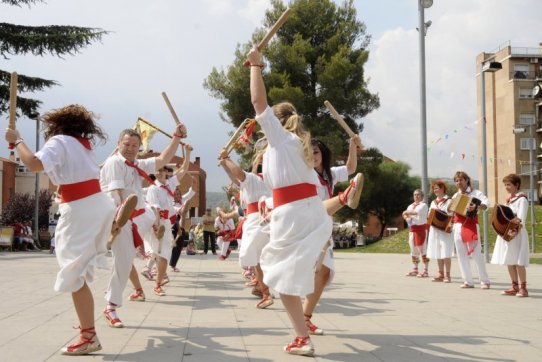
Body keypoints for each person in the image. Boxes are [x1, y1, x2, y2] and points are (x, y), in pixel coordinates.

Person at [247, 46, 362, 356]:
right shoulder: (296, 147)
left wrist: (255, 66)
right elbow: (305, 190)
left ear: (276, 121)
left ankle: (302, 337)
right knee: (285, 276)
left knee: (277, 277)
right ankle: (302, 333)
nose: (261, 124)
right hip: (306, 212)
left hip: (295, 215)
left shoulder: (282, 140)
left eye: (267, 120)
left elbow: (259, 103)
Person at [5, 104, 116, 355]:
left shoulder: (60, 141)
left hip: (82, 208)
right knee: (78, 267)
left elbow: (34, 164)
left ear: (58, 124)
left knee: (71, 269)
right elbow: (65, 178)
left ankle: (88, 335)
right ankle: (88, 330)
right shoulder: (82, 146)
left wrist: (18, 139)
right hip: (97, 205)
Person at [100, 122, 186, 328]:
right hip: (117, 216)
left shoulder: (137, 164)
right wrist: (116, 226)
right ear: (118, 144)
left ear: (139, 147)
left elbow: (163, 159)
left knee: (151, 214)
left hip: (138, 215)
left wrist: (176, 137)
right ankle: (110, 306)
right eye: (126, 144)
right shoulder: (114, 163)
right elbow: (117, 196)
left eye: (134, 146)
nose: (130, 149)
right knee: (123, 260)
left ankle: (152, 233)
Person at [302, 137, 360, 336]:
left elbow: (351, 167)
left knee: (324, 273)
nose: (313, 156)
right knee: (306, 273)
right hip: (305, 227)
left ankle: (305, 318)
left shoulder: (330, 174)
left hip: (323, 226)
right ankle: (345, 197)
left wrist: (352, 145)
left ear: (323, 154)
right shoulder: (303, 174)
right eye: (309, 152)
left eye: (316, 152)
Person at [490, 174, 530, 297]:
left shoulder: (522, 199)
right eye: (505, 185)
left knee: (518, 261)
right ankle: (514, 286)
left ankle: (523, 288)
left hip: (517, 233)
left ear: (516, 185)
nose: (506, 187)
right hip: (507, 233)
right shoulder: (509, 200)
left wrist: (511, 230)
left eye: (509, 185)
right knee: (510, 260)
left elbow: (520, 219)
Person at [450, 171, 490, 289]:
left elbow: (487, 203)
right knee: (461, 254)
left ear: (467, 180)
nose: (459, 183)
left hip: (471, 224)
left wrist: (477, 206)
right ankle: (468, 281)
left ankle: (484, 281)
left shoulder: (476, 193)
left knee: (476, 253)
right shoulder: (455, 196)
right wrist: (449, 206)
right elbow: (449, 211)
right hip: (458, 226)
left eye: (461, 180)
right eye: (456, 181)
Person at [426, 180, 454, 283]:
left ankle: (448, 275)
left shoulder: (449, 200)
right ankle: (440, 273)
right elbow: (429, 215)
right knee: (437, 251)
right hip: (435, 229)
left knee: (446, 252)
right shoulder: (433, 202)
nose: (435, 190)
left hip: (445, 230)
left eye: (437, 188)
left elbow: (452, 215)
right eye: (434, 188)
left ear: (443, 188)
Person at [402, 189, 430, 277]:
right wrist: (407, 218)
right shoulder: (410, 205)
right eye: (415, 195)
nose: (416, 196)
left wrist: (406, 212)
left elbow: (415, 212)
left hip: (421, 229)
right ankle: (415, 269)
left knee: (422, 250)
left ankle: (425, 270)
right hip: (412, 229)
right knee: (413, 251)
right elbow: (405, 215)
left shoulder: (424, 205)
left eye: (418, 195)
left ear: (422, 196)